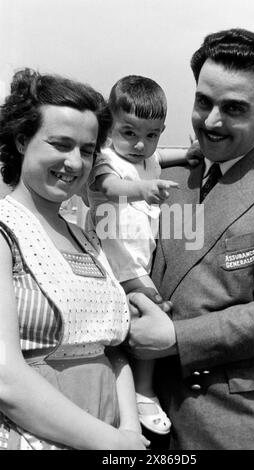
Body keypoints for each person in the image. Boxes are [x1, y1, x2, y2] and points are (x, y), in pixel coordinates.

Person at [127, 28, 254, 450]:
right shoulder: (163, 175)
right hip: (136, 410)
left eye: (234, 108)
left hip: (223, 416)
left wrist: (176, 338)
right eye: (203, 102)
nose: (212, 121)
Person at [0, 68, 149, 450]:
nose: (75, 162)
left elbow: (112, 348)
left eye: (86, 150)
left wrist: (130, 433)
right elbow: (6, 379)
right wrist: (112, 443)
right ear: (21, 139)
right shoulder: (4, 231)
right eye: (60, 144)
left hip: (111, 433)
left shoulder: (87, 237)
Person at [82, 75, 200, 436]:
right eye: (129, 132)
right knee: (155, 310)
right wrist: (141, 190)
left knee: (136, 324)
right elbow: (109, 186)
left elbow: (159, 157)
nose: (139, 144)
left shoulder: (149, 160)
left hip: (136, 259)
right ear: (109, 129)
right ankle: (143, 392)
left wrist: (189, 154)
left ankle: (128, 392)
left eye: (151, 135)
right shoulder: (104, 159)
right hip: (113, 259)